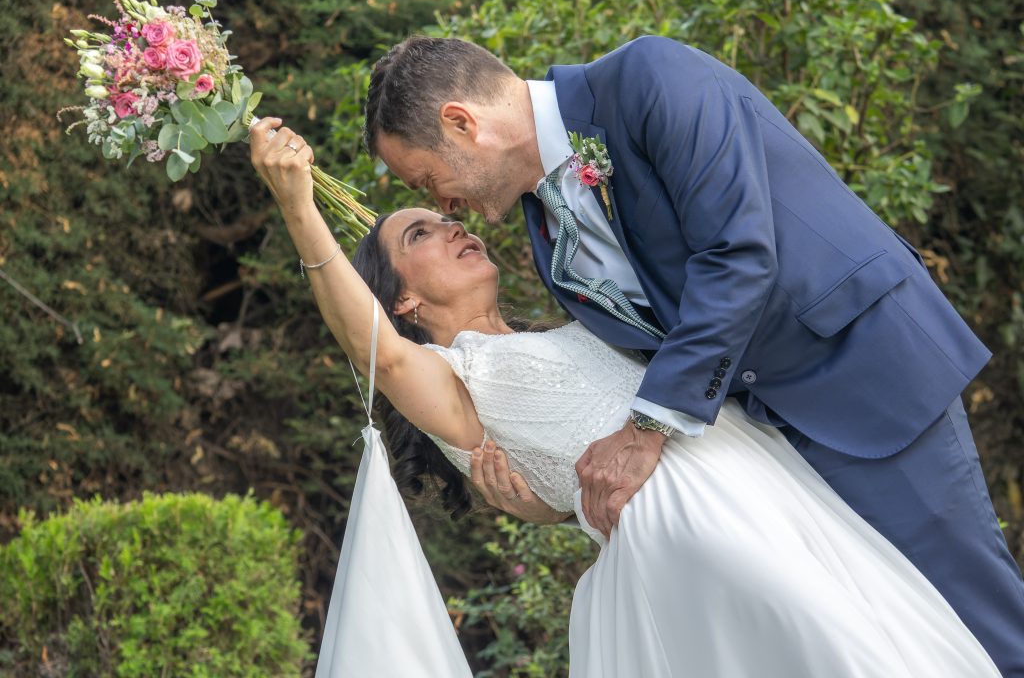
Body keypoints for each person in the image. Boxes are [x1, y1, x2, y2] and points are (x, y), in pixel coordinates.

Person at [361, 35, 1024, 676]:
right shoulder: (545, 229)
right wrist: (555, 497)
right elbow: (615, 378)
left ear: (461, 123)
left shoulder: (650, 79)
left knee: (971, 621)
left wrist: (648, 428)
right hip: (762, 453)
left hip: (856, 373)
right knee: (882, 642)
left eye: (428, 178)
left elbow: (738, 255)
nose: (444, 205)